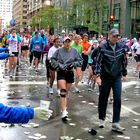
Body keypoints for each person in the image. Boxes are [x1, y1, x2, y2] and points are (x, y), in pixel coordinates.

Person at [94, 29, 127, 132]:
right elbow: (98, 62)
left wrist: (124, 73)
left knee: (117, 98)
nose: (116, 38)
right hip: (105, 76)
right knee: (103, 98)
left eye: (117, 36)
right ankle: (101, 118)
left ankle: (115, 123)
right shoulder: (102, 47)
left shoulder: (121, 47)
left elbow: (123, 60)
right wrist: (98, 76)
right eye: (114, 36)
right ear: (109, 36)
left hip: (117, 76)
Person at [51, 37, 83, 122]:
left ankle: (64, 107)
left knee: (66, 93)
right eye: (66, 42)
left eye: (69, 42)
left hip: (70, 73)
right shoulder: (59, 51)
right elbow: (52, 59)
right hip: (61, 72)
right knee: (63, 91)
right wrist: (58, 65)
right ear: (63, 43)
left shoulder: (74, 51)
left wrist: (73, 64)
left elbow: (80, 61)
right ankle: (64, 112)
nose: (67, 43)